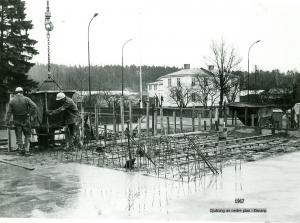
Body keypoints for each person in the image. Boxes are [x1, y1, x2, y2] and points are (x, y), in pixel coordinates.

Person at [5, 87, 38, 155]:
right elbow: (34, 106)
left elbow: (8, 113)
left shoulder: (12, 101)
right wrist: (30, 113)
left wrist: (7, 121)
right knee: (27, 135)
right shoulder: (26, 99)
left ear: (15, 93)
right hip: (25, 120)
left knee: (19, 136)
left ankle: (20, 150)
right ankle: (27, 150)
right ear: (22, 92)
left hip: (17, 120)